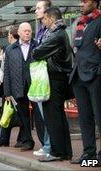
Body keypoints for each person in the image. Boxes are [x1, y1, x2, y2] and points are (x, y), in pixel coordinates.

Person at [32, 7, 73, 162]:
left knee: (53, 117)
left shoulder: (56, 34)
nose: (43, 21)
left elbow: (36, 53)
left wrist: (37, 51)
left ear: (50, 18)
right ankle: (64, 151)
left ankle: (56, 151)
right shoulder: (60, 33)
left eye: (44, 18)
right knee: (58, 116)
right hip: (58, 78)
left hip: (55, 79)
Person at [69, 0, 101, 164]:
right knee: (84, 117)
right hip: (79, 76)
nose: (81, 4)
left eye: (85, 1)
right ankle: (89, 154)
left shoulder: (99, 21)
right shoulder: (79, 23)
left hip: (95, 75)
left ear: (95, 3)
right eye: (80, 1)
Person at [3, 22, 37, 152]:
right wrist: (7, 92)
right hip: (18, 87)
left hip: (35, 87)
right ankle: (28, 141)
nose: (28, 33)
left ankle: (45, 142)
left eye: (29, 31)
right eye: (25, 31)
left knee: (38, 115)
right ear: (19, 33)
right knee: (23, 116)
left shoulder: (37, 45)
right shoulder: (10, 49)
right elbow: (7, 72)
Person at [32, 0, 53, 158]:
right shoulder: (40, 30)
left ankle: (50, 146)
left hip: (49, 76)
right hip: (40, 77)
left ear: (47, 11)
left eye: (38, 8)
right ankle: (47, 145)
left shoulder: (51, 31)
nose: (35, 11)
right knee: (43, 113)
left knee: (49, 114)